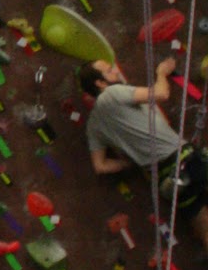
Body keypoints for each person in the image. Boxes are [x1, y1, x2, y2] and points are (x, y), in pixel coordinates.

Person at [79, 56, 208, 255]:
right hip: (185, 160)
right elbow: (162, 93)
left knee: (204, 226)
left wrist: (130, 163)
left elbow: (100, 166)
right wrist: (161, 72)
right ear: (100, 83)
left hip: (166, 179)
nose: (116, 71)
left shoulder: (93, 125)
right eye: (109, 70)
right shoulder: (112, 93)